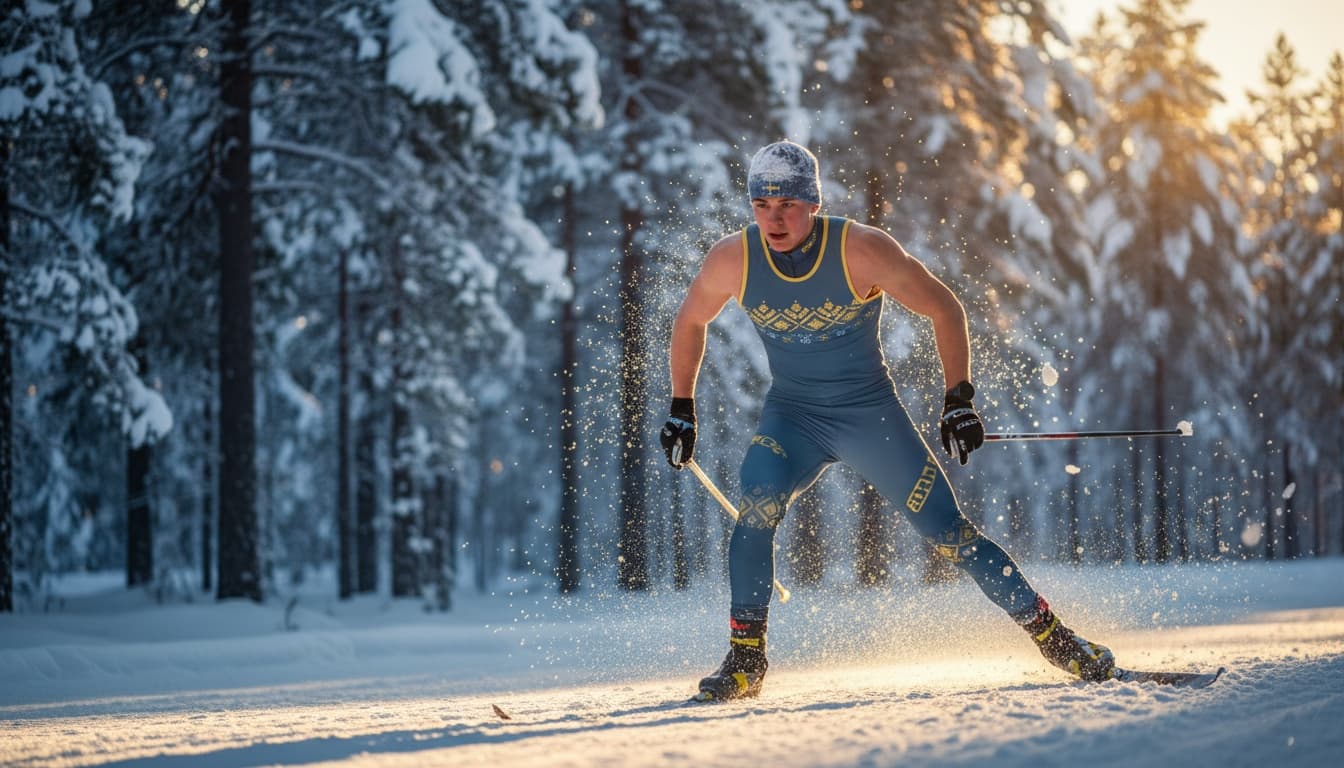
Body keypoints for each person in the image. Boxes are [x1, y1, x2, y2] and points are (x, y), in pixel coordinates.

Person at [660, 140, 1115, 702]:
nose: (774, 219)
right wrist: (683, 408)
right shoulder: (734, 258)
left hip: (868, 415)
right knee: (756, 505)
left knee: (949, 533)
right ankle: (746, 660)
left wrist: (959, 399)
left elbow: (943, 306)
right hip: (793, 418)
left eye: (788, 205)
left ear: (813, 204)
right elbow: (690, 320)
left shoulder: (860, 250)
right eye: (762, 205)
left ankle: (1058, 640)